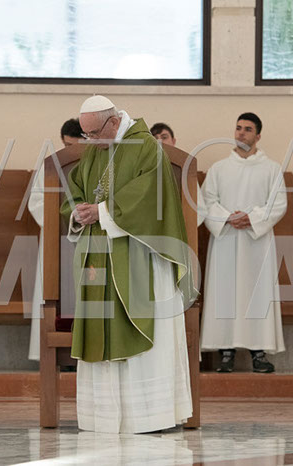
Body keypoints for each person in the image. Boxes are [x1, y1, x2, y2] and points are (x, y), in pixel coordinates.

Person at [60, 95, 196, 433]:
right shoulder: (97, 148)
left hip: (141, 256)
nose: (90, 141)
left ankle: (148, 416)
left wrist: (103, 212)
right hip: (99, 257)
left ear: (113, 122)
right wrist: (78, 211)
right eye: (86, 135)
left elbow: (150, 199)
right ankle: (104, 416)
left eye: (93, 133)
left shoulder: (147, 148)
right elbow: (76, 191)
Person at [200, 112, 286, 373]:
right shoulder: (219, 169)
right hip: (226, 239)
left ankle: (258, 353)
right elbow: (207, 202)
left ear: (258, 136)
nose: (241, 133)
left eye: (248, 129)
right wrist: (228, 217)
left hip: (256, 243)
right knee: (225, 294)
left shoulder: (271, 169)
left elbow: (278, 204)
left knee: (257, 295)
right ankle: (225, 353)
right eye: (238, 128)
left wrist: (251, 218)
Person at [27, 118, 83, 363]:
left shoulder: (102, 164)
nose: (71, 150)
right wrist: (66, 217)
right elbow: (36, 202)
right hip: (56, 241)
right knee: (56, 295)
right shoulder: (51, 166)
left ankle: (85, 353)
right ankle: (57, 356)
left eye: (76, 144)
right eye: (67, 145)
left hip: (90, 240)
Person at [150, 122, 206, 227]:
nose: (160, 141)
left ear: (173, 141)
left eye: (164, 137)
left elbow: (199, 209)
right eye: (155, 138)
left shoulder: (185, 170)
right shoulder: (144, 169)